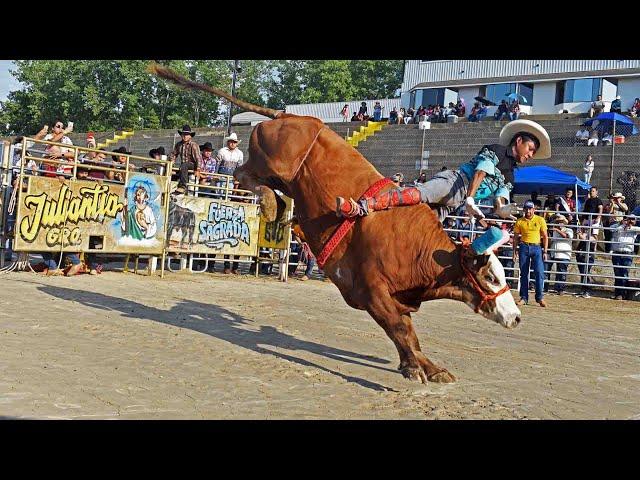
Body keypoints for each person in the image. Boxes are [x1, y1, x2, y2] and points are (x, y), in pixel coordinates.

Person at [336, 119, 552, 223]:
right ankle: (364, 205)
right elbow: (480, 173)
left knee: (424, 226)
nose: (530, 154)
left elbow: (500, 199)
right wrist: (470, 199)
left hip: (457, 202)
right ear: (519, 141)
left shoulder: (510, 175)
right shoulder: (497, 150)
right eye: (530, 149)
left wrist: (502, 210)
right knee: (418, 194)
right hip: (455, 182)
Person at [216, 132, 244, 274]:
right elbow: (217, 166)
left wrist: (237, 183)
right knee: (221, 194)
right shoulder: (222, 151)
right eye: (231, 141)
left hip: (232, 179)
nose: (232, 143)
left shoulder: (240, 154)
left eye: (234, 142)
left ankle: (231, 266)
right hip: (222, 177)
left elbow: (239, 169)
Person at [513, 200, 549, 307]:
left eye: (530, 209)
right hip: (524, 246)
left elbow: (545, 236)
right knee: (523, 273)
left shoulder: (540, 220)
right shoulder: (519, 221)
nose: (528, 211)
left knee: (539, 272)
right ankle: (524, 297)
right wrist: (514, 251)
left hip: (536, 247)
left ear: (534, 209)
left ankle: (540, 297)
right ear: (524, 209)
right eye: (526, 209)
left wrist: (545, 251)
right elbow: (515, 238)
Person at [610, 214, 640, 300]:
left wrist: (630, 227)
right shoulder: (619, 226)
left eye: (632, 219)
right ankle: (618, 294)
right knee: (618, 274)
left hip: (628, 253)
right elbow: (611, 228)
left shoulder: (635, 229)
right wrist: (623, 224)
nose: (631, 221)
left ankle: (623, 294)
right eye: (629, 219)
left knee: (624, 274)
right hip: (617, 253)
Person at [544, 214, 573, 296]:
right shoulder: (554, 231)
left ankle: (560, 289)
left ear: (564, 223)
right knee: (546, 270)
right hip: (553, 252)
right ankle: (545, 287)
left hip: (564, 254)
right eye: (557, 222)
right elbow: (550, 241)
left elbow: (567, 236)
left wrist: (557, 230)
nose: (559, 223)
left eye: (561, 222)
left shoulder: (569, 230)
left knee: (561, 272)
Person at [170, 124, 202, 194]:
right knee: (174, 173)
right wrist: (172, 162)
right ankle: (172, 190)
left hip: (193, 165)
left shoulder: (193, 145)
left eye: (187, 134)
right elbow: (173, 154)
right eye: (183, 134)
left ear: (190, 136)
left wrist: (198, 169)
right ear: (181, 135)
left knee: (184, 165)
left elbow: (198, 158)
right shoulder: (179, 144)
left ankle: (183, 186)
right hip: (183, 166)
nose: (185, 136)